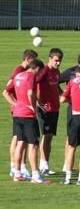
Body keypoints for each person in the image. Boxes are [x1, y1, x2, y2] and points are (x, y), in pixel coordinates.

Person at [3, 59, 51, 184]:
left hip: (17, 114)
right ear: (37, 69)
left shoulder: (18, 76)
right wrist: (32, 107)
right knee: (33, 145)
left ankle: (17, 173)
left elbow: (5, 92)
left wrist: (17, 104)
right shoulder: (30, 76)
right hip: (28, 116)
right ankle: (36, 176)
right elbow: (30, 92)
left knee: (20, 143)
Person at [6, 49, 38, 179]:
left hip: (19, 110)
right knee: (19, 139)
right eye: (34, 59)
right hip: (23, 111)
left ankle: (19, 169)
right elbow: (7, 88)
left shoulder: (21, 71)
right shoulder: (20, 71)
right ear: (29, 59)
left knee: (20, 140)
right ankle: (15, 167)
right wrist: (16, 103)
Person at [36, 48, 64, 175]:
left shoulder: (57, 72)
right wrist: (38, 102)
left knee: (50, 137)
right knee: (46, 136)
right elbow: (32, 84)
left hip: (55, 108)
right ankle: (43, 165)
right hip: (44, 109)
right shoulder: (44, 72)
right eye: (56, 60)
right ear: (50, 58)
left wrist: (64, 95)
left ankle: (46, 164)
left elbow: (56, 85)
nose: (58, 63)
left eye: (60, 61)